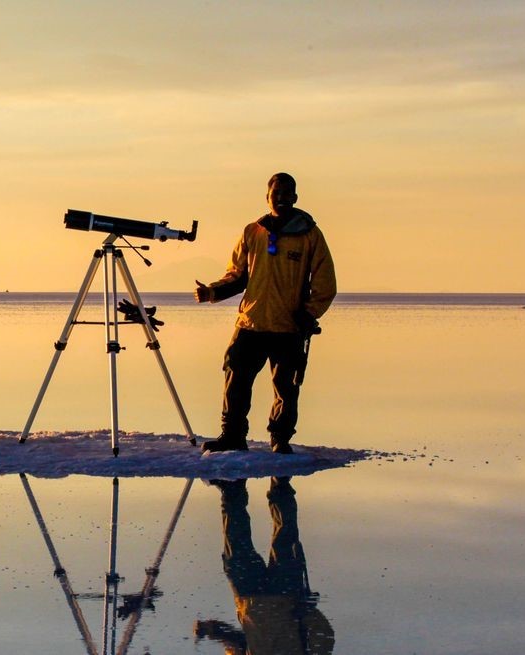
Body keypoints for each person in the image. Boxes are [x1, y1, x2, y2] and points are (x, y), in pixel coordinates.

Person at [195, 173, 336, 454]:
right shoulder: (253, 231)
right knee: (235, 378)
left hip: (289, 326)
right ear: (267, 196)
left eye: (287, 194)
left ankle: (280, 439)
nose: (282, 198)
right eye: (277, 193)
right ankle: (233, 435)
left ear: (295, 198)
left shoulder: (310, 235)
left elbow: (325, 282)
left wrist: (309, 314)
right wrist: (212, 292)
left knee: (286, 387)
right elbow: (237, 276)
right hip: (251, 323)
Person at [193, 477, 335, 654]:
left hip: (251, 600)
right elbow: (324, 638)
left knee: (236, 547)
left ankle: (232, 489)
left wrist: (213, 630)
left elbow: (240, 645)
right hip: (286, 597)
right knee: (284, 535)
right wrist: (307, 612)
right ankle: (280, 482)